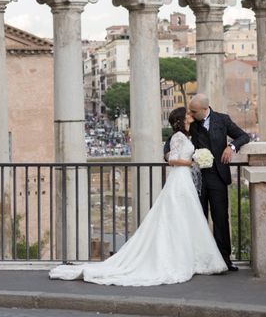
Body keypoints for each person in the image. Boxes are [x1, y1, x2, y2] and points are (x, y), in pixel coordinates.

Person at [49, 107, 227, 286]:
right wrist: (192, 161)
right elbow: (171, 159)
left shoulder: (186, 136)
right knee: (177, 216)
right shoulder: (178, 137)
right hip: (179, 178)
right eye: (188, 114)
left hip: (184, 179)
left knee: (186, 217)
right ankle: (179, 258)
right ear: (182, 119)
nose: (191, 116)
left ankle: (190, 257)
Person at [164, 93, 250, 271]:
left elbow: (243, 136)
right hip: (195, 180)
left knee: (221, 219)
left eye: (194, 111)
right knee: (198, 219)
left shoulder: (223, 120)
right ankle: (198, 260)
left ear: (205, 109)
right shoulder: (190, 123)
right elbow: (169, 146)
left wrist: (231, 146)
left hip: (218, 177)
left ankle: (225, 260)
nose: (191, 113)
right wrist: (172, 157)